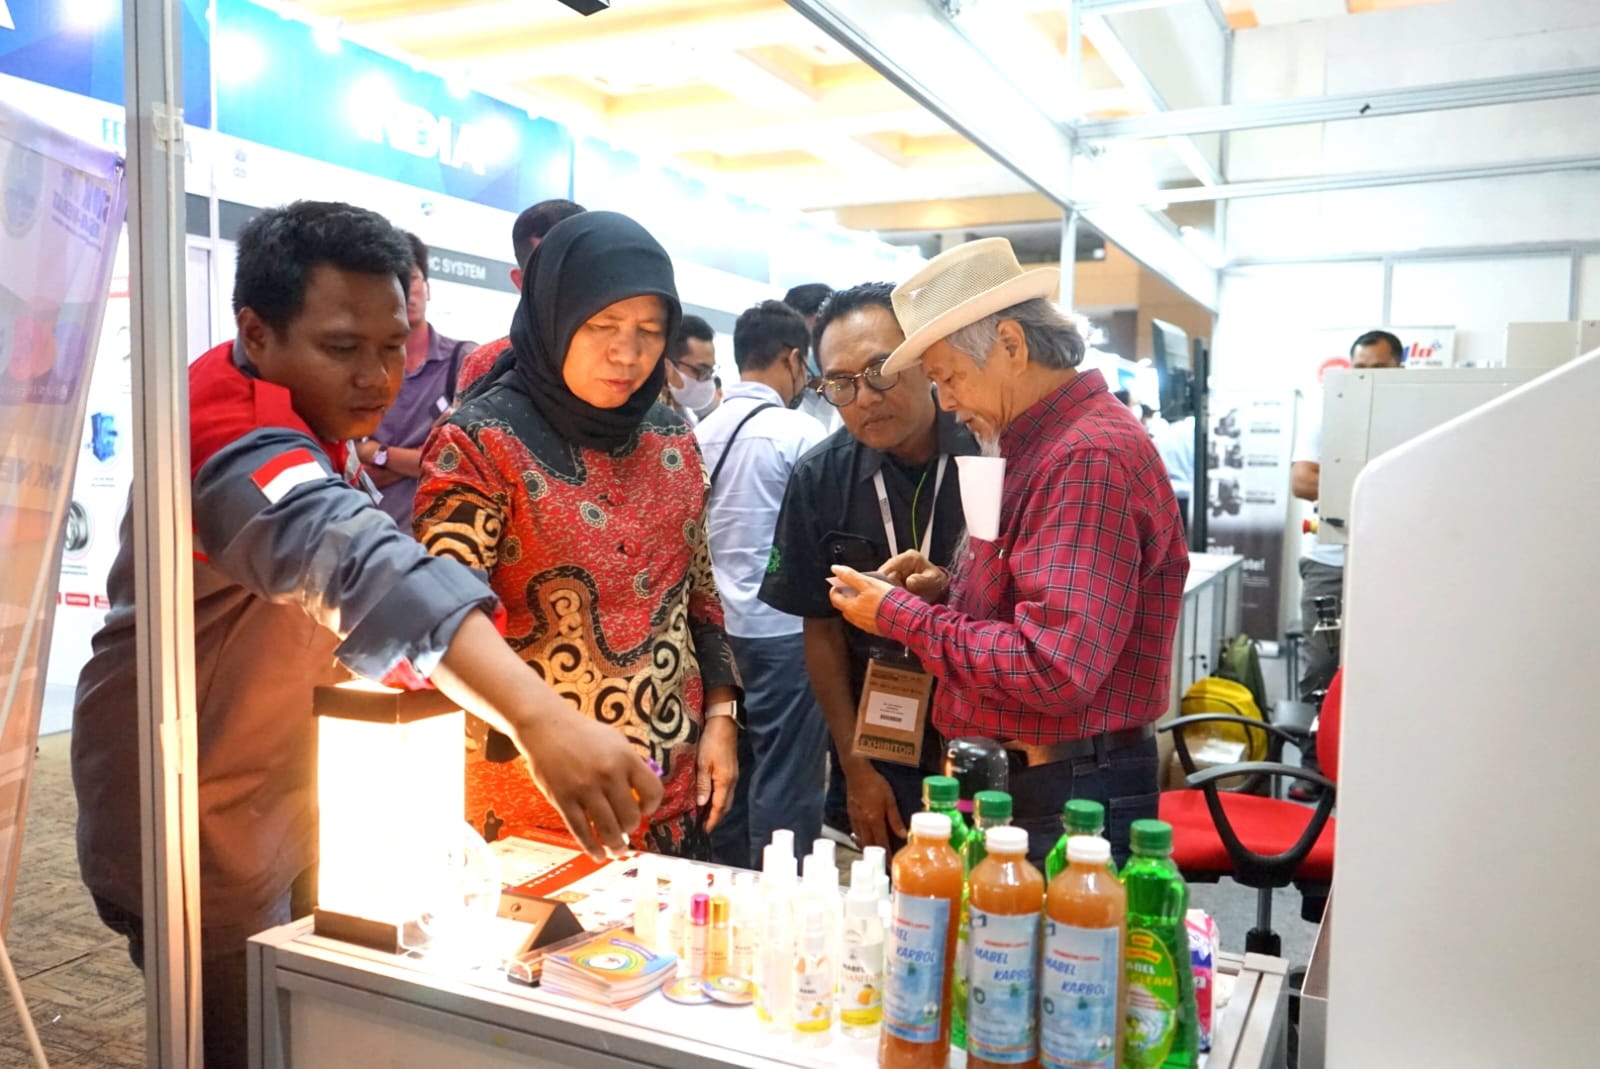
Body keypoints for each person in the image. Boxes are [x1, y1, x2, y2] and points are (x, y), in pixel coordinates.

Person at [71, 202, 660, 1069]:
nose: (379, 379)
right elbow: (352, 560)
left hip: (287, 796)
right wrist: (537, 716)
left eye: (395, 346)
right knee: (242, 1039)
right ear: (256, 331)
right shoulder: (227, 430)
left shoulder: (312, 414)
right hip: (190, 820)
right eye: (343, 348)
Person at [827, 238, 1188, 867]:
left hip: (1068, 786)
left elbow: (1052, 667)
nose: (944, 401)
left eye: (948, 376)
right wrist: (953, 589)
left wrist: (899, 617)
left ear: (1012, 347)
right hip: (1036, 776)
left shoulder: (1085, 456)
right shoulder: (1035, 441)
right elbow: (1040, 606)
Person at [415, 211, 739, 859]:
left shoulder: (671, 436)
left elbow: (698, 596)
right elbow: (441, 623)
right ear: (555, 316)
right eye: (602, 326)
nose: (628, 352)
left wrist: (723, 717)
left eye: (650, 331)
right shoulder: (479, 444)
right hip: (533, 796)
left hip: (669, 784)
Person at [759, 282, 979, 851]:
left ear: (926, 361)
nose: (864, 397)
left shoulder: (992, 456)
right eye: (840, 383)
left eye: (882, 369)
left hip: (991, 742)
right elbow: (820, 629)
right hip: (879, 746)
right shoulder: (819, 478)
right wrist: (855, 768)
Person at [694, 300, 829, 867]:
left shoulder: (700, 432)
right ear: (795, 358)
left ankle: (725, 883)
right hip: (782, 631)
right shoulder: (800, 434)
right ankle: (780, 893)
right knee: (786, 772)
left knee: (727, 766)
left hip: (715, 638)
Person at [1291, 330, 1404, 697]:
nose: (1367, 376)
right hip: (1329, 565)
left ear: (1399, 368)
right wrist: (1383, 483)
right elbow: (1302, 481)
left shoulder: (1413, 418)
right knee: (1324, 666)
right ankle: (1314, 755)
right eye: (1360, 367)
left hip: (1391, 562)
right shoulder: (1328, 415)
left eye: (1379, 368)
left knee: (1384, 666)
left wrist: (1341, 482)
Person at [353, 232, 474, 527]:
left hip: (442, 539)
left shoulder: (465, 360)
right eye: (395, 281)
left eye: (413, 278)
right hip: (371, 536)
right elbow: (355, 471)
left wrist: (377, 452)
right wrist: (418, 459)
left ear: (428, 288)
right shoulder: (357, 367)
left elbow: (457, 462)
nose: (407, 292)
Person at [455, 198, 587, 394]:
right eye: (550, 271)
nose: (570, 283)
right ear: (521, 281)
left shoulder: (633, 356)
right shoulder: (485, 363)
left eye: (583, 266)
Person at [783, 281, 843, 435]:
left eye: (818, 336)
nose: (812, 350)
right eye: (805, 340)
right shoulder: (782, 402)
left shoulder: (855, 390)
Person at [663, 313, 719, 423]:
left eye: (710, 372)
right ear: (668, 365)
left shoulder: (683, 421)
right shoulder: (646, 417)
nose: (708, 380)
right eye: (701, 371)